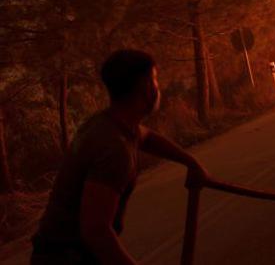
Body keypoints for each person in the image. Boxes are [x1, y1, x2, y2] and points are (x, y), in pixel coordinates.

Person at [30, 50, 210, 265]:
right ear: (146, 88)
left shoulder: (108, 124)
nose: (158, 86)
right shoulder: (115, 149)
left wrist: (190, 162)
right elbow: (96, 231)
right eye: (155, 79)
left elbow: (146, 137)